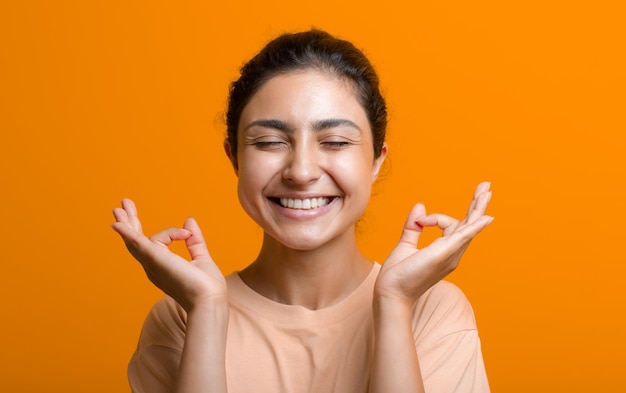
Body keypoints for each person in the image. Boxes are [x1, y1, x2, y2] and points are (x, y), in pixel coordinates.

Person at [112, 29, 494, 393]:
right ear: (235, 160)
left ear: (376, 160)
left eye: (335, 141)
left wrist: (394, 303)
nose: (301, 171)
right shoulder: (181, 316)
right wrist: (207, 312)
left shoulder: (432, 309)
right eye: (269, 141)